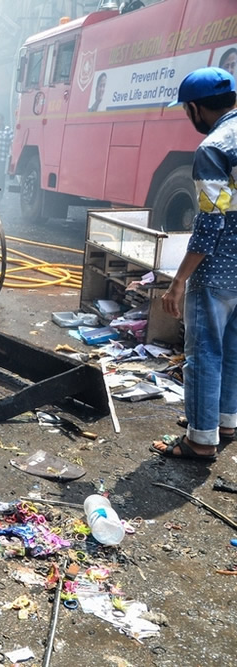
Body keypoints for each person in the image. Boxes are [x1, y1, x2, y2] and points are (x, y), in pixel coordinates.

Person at [151, 67, 237, 462]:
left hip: (217, 270)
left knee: (204, 352)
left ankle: (201, 440)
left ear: (196, 109)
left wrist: (179, 280)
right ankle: (225, 421)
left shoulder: (214, 147)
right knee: (233, 349)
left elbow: (210, 221)